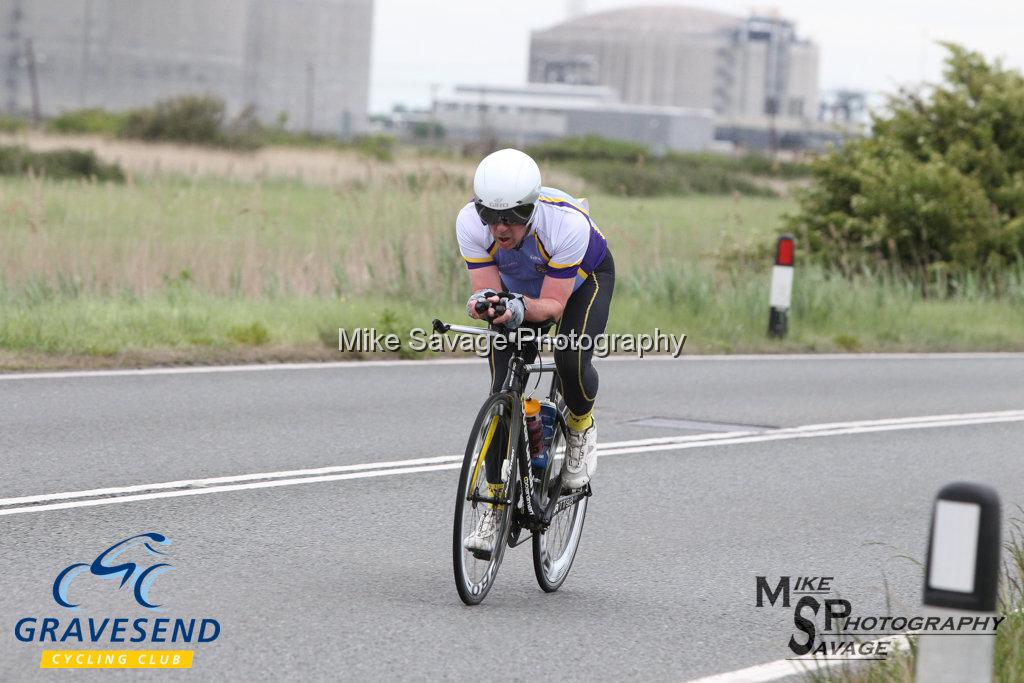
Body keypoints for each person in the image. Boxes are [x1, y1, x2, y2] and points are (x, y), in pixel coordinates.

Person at [457, 148, 615, 553]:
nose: (499, 228)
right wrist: (486, 304)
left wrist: (517, 307)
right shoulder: (469, 224)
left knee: (569, 356)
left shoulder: (566, 226)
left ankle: (580, 427)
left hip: (582, 282)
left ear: (532, 209)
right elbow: (487, 289)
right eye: (490, 215)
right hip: (522, 286)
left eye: (511, 217)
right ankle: (494, 503)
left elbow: (553, 307)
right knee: (501, 388)